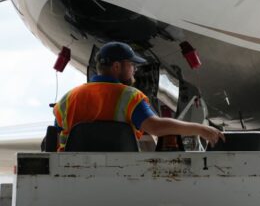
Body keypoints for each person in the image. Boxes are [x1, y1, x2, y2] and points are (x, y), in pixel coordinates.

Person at [53, 42, 224, 151]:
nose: (135, 69)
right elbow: (156, 127)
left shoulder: (68, 98)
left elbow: (56, 135)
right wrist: (201, 129)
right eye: (132, 64)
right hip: (120, 174)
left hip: (71, 174)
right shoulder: (129, 97)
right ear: (117, 66)